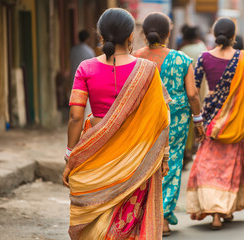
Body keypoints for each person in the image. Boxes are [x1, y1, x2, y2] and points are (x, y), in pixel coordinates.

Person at [63, 8, 170, 240]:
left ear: (101, 36)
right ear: (131, 36)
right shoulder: (147, 70)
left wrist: (71, 156)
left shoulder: (86, 68)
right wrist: (163, 156)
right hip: (137, 154)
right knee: (129, 217)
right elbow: (161, 118)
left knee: (98, 210)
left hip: (95, 151)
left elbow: (75, 118)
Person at [187, 17, 244, 230]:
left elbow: (193, 89)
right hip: (236, 120)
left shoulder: (204, 57)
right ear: (233, 36)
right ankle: (224, 209)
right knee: (230, 164)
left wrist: (197, 121)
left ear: (215, 34)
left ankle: (214, 213)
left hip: (211, 117)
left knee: (210, 164)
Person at [133, 12, 205, 236]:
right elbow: (193, 95)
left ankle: (144, 217)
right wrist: (198, 121)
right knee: (171, 168)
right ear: (168, 33)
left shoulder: (135, 58)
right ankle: (162, 219)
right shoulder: (182, 60)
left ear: (144, 34)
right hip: (175, 124)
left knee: (145, 168)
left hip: (145, 124)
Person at [178, 24, 208, 166]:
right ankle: (190, 150)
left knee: (186, 124)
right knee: (195, 121)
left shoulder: (182, 51)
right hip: (199, 92)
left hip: (183, 92)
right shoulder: (202, 48)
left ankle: (185, 151)